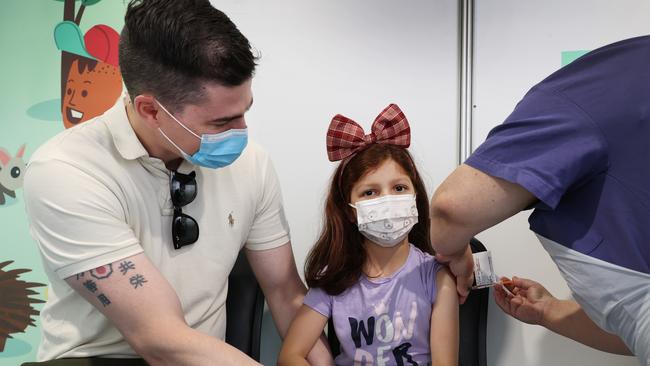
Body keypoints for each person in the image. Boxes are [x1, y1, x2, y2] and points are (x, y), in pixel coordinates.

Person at [22, 0, 331, 364]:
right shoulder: (66, 170)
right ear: (151, 110)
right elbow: (160, 340)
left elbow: (285, 292)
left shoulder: (252, 164)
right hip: (101, 358)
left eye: (244, 112)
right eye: (221, 123)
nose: (241, 133)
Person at [428, 35, 650, 364]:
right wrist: (548, 310)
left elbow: (453, 207)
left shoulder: (599, 85)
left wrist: (455, 250)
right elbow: (635, 331)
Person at [278, 105, 459, 366]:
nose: (387, 200)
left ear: (415, 197)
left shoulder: (437, 277)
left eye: (399, 188)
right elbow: (290, 355)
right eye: (369, 193)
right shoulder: (335, 279)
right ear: (350, 210)